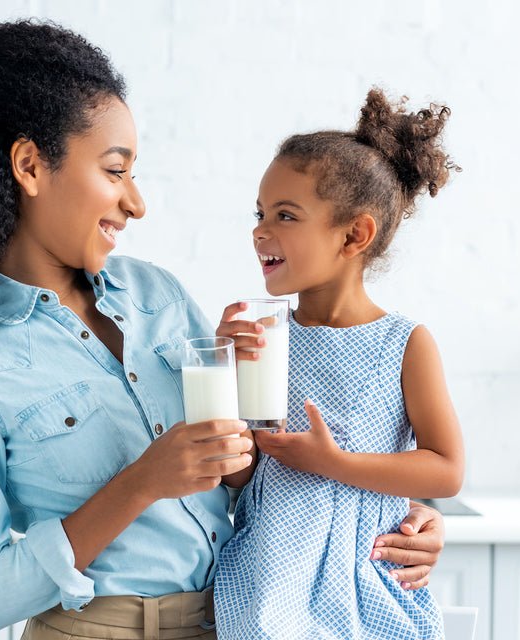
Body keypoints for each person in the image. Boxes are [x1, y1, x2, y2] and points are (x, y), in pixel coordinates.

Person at [0, 20, 447, 640]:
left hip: (236, 618)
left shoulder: (156, 295)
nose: (136, 203)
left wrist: (397, 518)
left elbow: (246, 478)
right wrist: (140, 484)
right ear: (29, 165)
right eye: (116, 171)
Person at [212, 89, 465, 639]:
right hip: (264, 580)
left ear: (354, 234)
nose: (260, 230)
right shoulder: (264, 334)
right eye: (260, 213)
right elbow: (242, 474)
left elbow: (446, 469)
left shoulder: (405, 342)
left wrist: (333, 461)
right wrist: (223, 380)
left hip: (364, 582)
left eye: (285, 215)